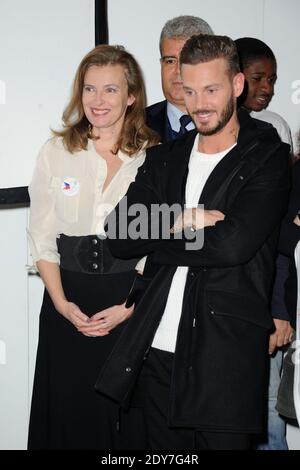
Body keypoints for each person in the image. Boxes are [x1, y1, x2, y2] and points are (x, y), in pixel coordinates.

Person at [96, 35, 290, 450]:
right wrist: (186, 218)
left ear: (237, 86)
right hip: (155, 353)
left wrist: (156, 233)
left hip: (224, 359)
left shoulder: (266, 156)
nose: (199, 103)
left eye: (211, 90)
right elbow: (118, 234)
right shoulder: (166, 156)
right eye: (189, 90)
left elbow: (234, 245)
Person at [27, 44, 159, 450]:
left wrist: (128, 309)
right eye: (89, 89)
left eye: (110, 90)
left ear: (132, 95)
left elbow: (159, 247)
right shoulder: (57, 151)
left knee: (126, 425)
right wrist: (63, 305)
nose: (97, 101)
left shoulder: (155, 157)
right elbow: (41, 236)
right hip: (67, 304)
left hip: (128, 305)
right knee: (68, 416)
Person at [235, 37, 294, 450]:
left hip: (266, 294)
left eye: (271, 79)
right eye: (259, 78)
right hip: (221, 299)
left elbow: (281, 237)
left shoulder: (275, 129)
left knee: (270, 404)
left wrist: (279, 308)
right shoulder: (204, 131)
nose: (268, 88)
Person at [146, 15, 213, 142]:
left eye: (186, 60)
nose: (178, 70)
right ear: (161, 64)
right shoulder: (133, 126)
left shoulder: (236, 129)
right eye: (170, 61)